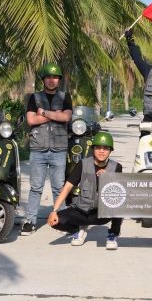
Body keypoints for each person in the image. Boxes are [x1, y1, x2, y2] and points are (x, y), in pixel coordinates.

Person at [21, 63, 74, 236]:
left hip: (59, 148)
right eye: (48, 77)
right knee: (36, 187)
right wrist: (54, 115)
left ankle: (62, 221)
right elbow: (31, 120)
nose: (52, 80)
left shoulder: (65, 96)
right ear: (43, 79)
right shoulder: (33, 97)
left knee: (59, 187)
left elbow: (66, 117)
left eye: (55, 77)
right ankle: (30, 221)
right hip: (38, 148)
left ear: (59, 80)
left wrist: (43, 113)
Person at [47, 131, 123, 250]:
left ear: (110, 151)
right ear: (93, 149)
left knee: (119, 205)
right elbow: (67, 187)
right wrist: (54, 210)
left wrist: (109, 177)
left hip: (102, 213)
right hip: (82, 210)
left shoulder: (116, 167)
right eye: (98, 147)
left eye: (105, 148)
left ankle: (113, 234)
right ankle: (78, 230)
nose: (102, 151)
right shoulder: (83, 164)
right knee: (55, 221)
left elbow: (120, 193)